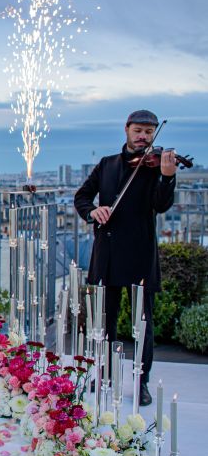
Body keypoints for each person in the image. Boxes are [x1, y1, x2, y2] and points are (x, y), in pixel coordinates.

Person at [74, 110, 176, 406]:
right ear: (127, 130)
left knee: (143, 325)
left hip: (140, 254)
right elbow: (82, 196)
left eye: (149, 131)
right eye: (138, 130)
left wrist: (167, 179)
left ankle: (141, 382)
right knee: (105, 322)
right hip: (107, 253)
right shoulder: (107, 165)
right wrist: (92, 211)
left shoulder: (157, 166)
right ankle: (103, 373)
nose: (143, 136)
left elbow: (161, 205)